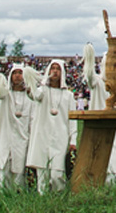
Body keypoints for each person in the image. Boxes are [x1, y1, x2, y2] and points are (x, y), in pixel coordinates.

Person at [26, 59, 77, 194]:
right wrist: (42, 81)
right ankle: (43, 201)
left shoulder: (68, 95)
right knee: (42, 173)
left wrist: (73, 140)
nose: (55, 71)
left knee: (57, 174)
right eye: (52, 68)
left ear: (62, 72)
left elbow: (72, 120)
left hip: (60, 137)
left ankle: (58, 198)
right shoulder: (42, 91)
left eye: (58, 69)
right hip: (42, 136)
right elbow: (35, 95)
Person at [83, 44, 116, 184]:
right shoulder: (98, 82)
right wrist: (89, 58)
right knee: (98, 162)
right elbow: (89, 76)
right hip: (100, 126)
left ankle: (115, 188)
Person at [0, 63, 35, 190]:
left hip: (23, 139)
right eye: (14, 73)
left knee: (19, 174)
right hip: (6, 138)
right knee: (5, 172)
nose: (17, 76)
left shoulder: (30, 97)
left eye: (20, 73)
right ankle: (5, 197)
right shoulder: (6, 95)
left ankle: (19, 198)